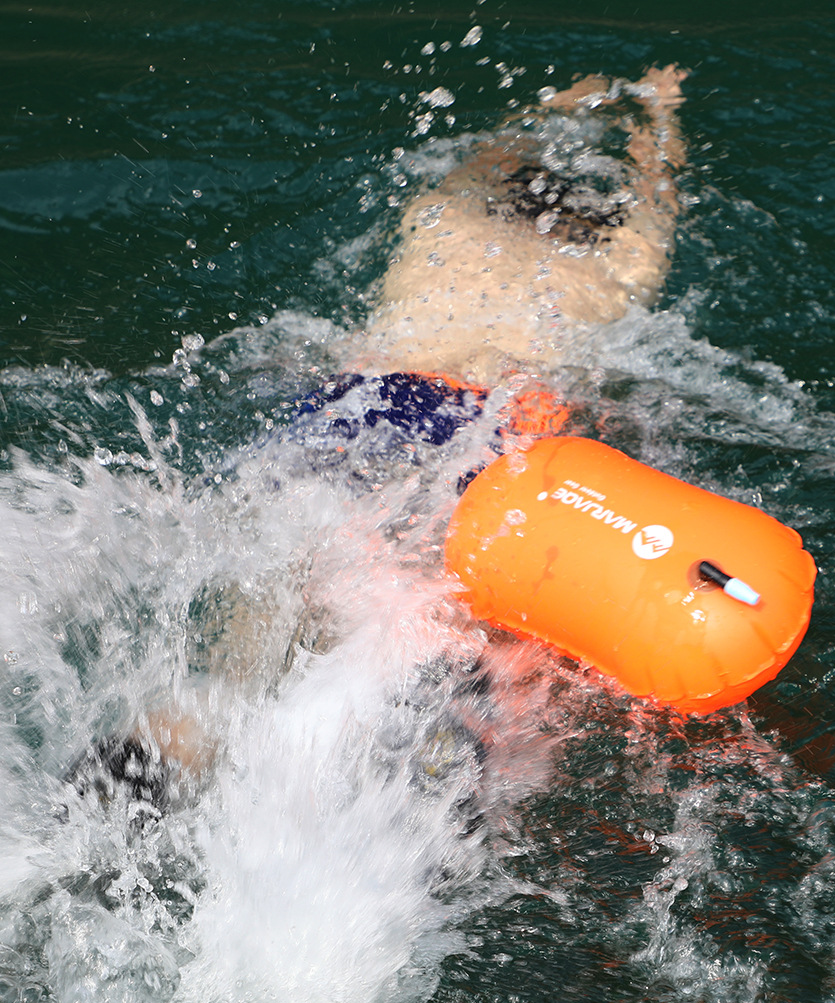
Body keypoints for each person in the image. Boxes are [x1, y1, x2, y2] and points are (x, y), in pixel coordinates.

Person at [65, 65, 689, 812]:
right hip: (480, 425)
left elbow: (481, 161)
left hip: (349, 406)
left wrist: (551, 107)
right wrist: (661, 118)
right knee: (445, 604)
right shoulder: (611, 268)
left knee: (270, 600)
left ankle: (159, 749)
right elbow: (657, 207)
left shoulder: (443, 223)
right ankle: (432, 729)